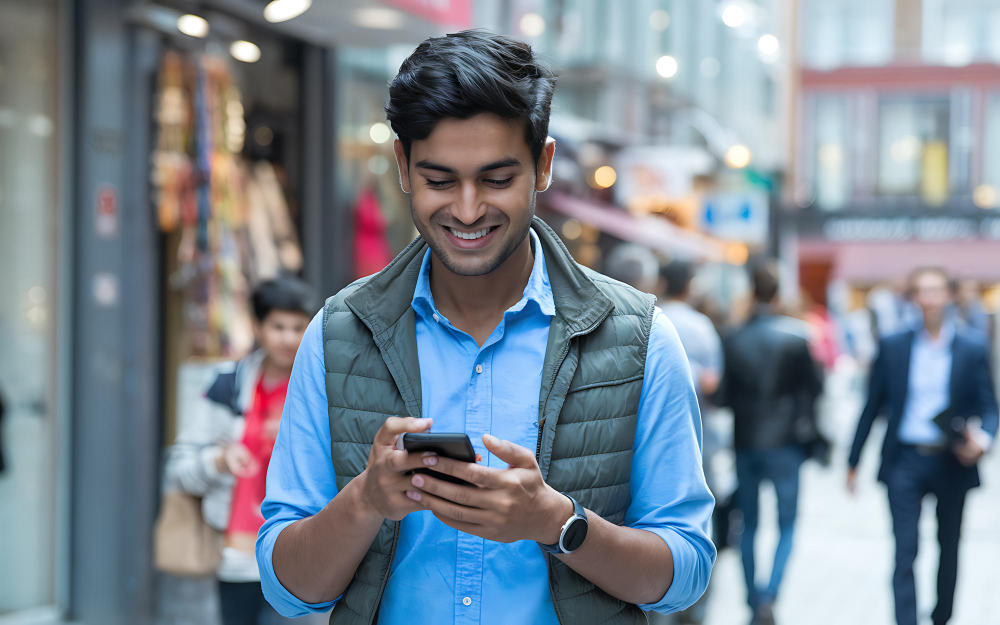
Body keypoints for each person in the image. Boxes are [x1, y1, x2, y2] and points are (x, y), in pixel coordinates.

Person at [256, 30, 715, 625]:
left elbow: (684, 574)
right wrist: (365, 501)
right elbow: (287, 588)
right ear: (402, 166)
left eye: (497, 180)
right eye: (440, 180)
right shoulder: (338, 335)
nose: (468, 210)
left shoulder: (638, 339)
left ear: (543, 165)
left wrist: (558, 523)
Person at [166, 277, 322, 625]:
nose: (288, 338)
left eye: (298, 327)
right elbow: (179, 469)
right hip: (235, 556)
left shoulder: (322, 388)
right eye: (278, 326)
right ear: (257, 327)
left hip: (299, 552)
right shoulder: (227, 386)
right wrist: (220, 460)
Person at [847, 267, 998, 625]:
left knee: (949, 547)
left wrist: (983, 439)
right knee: (905, 549)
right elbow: (872, 405)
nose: (927, 299)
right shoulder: (894, 344)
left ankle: (942, 617)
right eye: (921, 292)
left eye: (935, 291)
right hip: (905, 459)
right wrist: (853, 461)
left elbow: (989, 406)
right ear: (913, 298)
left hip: (951, 459)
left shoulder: (972, 346)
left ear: (949, 296)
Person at [716, 263, 823, 625]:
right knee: (788, 523)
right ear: (778, 294)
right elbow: (816, 390)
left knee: (748, 523)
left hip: (746, 440)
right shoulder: (797, 337)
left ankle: (752, 599)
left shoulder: (733, 336)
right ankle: (770, 594)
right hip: (786, 443)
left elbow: (724, 396)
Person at [658, 260, 725, 625]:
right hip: (699, 441)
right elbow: (714, 383)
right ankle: (694, 611)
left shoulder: (648, 319)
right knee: (696, 528)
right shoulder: (700, 326)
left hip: (651, 441)